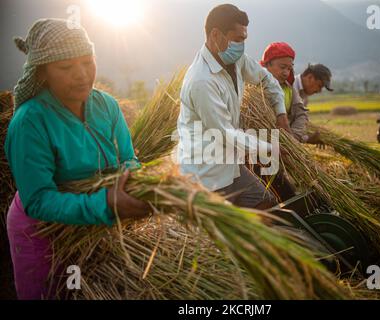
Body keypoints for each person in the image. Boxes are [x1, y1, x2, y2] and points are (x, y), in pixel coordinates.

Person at [5, 18, 150, 299]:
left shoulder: (106, 106)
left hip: (98, 221)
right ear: (43, 72)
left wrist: (136, 183)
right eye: (66, 67)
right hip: (43, 232)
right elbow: (38, 199)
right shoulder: (30, 122)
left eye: (87, 61)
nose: (82, 75)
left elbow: (128, 158)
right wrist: (105, 205)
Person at [177, 4, 291, 210]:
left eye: (244, 39)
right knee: (223, 237)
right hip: (205, 174)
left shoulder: (236, 60)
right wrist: (268, 149)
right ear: (215, 34)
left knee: (269, 208)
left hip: (230, 166)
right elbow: (225, 133)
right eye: (238, 39)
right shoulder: (201, 81)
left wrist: (280, 112)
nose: (242, 46)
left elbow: (266, 79)